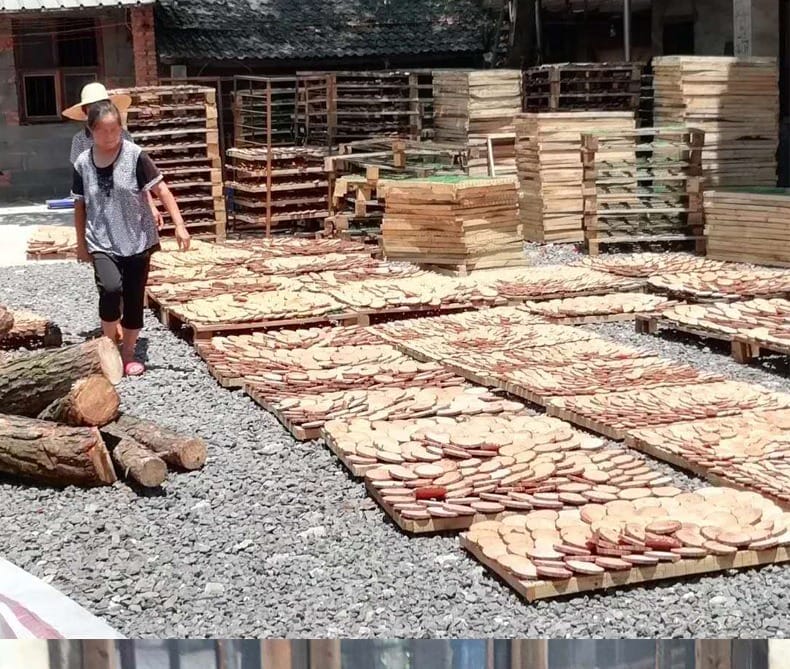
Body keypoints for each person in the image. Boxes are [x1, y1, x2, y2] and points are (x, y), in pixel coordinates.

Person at [71, 99, 190, 377]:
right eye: (103, 131)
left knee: (135, 298)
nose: (110, 136)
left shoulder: (135, 155)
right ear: (91, 131)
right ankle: (109, 345)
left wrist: (180, 225)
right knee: (111, 289)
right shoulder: (82, 163)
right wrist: (80, 243)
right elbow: (79, 205)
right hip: (101, 238)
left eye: (115, 130)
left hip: (137, 238)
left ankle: (128, 353)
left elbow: (162, 191)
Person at [63, 82, 163, 229]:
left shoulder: (124, 137)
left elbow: (138, 176)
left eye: (101, 105)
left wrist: (151, 206)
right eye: (92, 107)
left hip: (127, 208)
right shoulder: (79, 141)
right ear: (85, 111)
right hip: (97, 213)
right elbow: (81, 185)